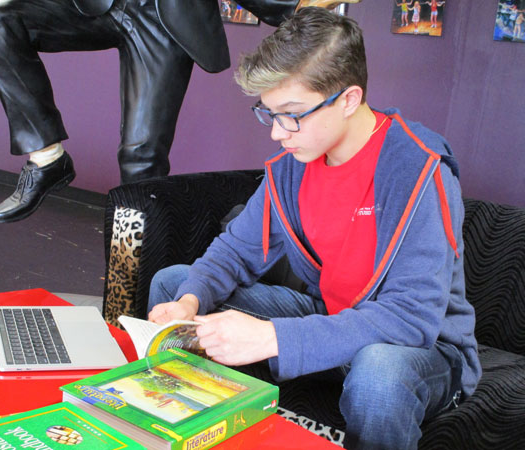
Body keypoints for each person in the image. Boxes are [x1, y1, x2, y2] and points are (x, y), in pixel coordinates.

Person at [147, 7, 481, 449]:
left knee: (379, 375)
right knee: (174, 284)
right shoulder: (292, 167)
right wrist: (191, 298)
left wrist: (273, 337)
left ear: (348, 99)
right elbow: (236, 251)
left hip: (423, 349)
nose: (277, 133)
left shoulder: (419, 171)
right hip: (329, 317)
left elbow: (411, 318)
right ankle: (180, 432)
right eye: (269, 114)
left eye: (292, 113)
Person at [0, 0, 306, 223]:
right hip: (97, 6)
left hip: (162, 15)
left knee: (140, 156)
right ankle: (47, 159)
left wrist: (294, 5)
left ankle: (134, 280)